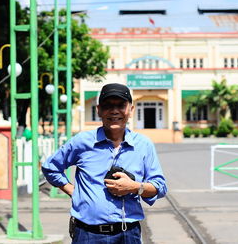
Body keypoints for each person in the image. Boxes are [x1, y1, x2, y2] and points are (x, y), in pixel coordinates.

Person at [42, 83, 167, 244]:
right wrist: (73, 191)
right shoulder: (82, 142)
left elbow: (160, 187)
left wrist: (135, 187)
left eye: (121, 105)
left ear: (131, 109)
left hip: (128, 234)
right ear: (99, 110)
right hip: (87, 234)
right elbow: (51, 168)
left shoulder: (143, 145)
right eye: (108, 106)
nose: (114, 111)